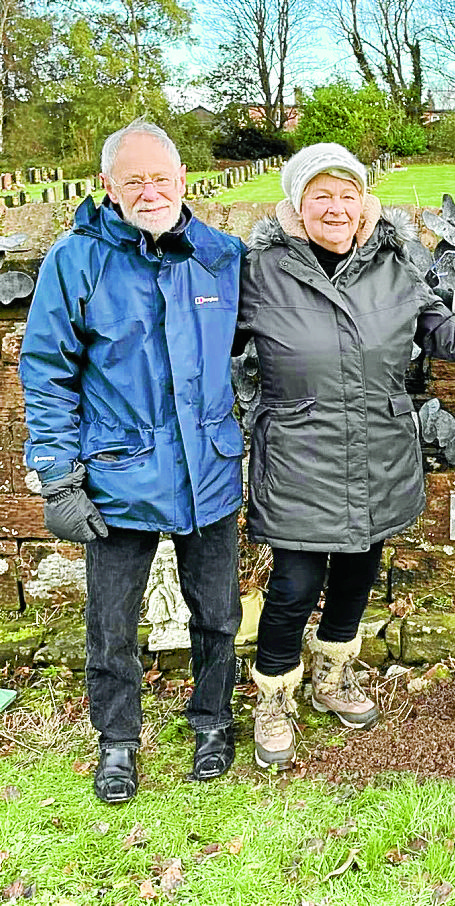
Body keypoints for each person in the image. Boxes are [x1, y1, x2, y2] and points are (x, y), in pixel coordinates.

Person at [237, 143, 455, 770]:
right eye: (320, 196)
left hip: (376, 450)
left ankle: (334, 675)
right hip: (298, 454)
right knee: (293, 584)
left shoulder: (394, 268)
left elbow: (447, 334)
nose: (336, 208)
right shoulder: (259, 272)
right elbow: (207, 339)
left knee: (359, 574)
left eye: (347, 194)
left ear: (365, 203)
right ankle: (275, 695)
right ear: (295, 205)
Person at [19, 120, 245, 803]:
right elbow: (47, 368)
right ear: (108, 188)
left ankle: (212, 720)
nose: (151, 192)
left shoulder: (219, 255)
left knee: (219, 613)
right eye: (135, 180)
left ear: (182, 182)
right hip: (119, 473)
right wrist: (59, 477)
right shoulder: (77, 259)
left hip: (207, 467)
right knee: (111, 624)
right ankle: (117, 740)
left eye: (162, 178)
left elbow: (257, 348)